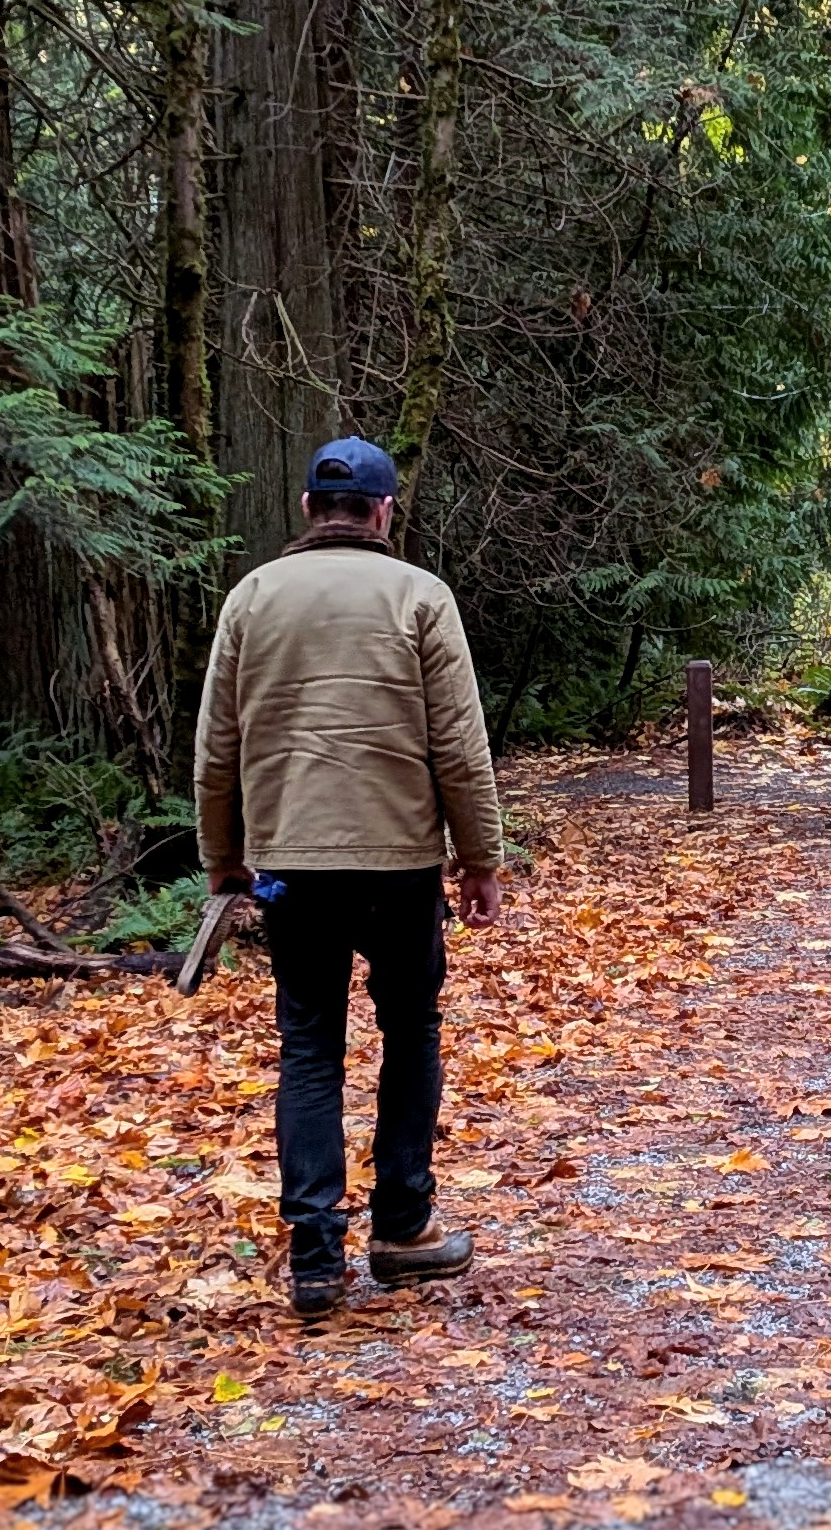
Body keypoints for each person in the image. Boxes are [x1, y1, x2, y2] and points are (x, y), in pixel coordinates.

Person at [192, 436, 506, 1316]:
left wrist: (224, 859)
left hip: (292, 863)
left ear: (305, 509)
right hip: (401, 862)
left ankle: (316, 1258)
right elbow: (460, 746)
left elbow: (217, 748)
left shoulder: (251, 598)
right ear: (384, 511)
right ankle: (403, 1227)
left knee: (309, 1045)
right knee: (410, 1030)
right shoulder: (420, 596)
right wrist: (480, 859)